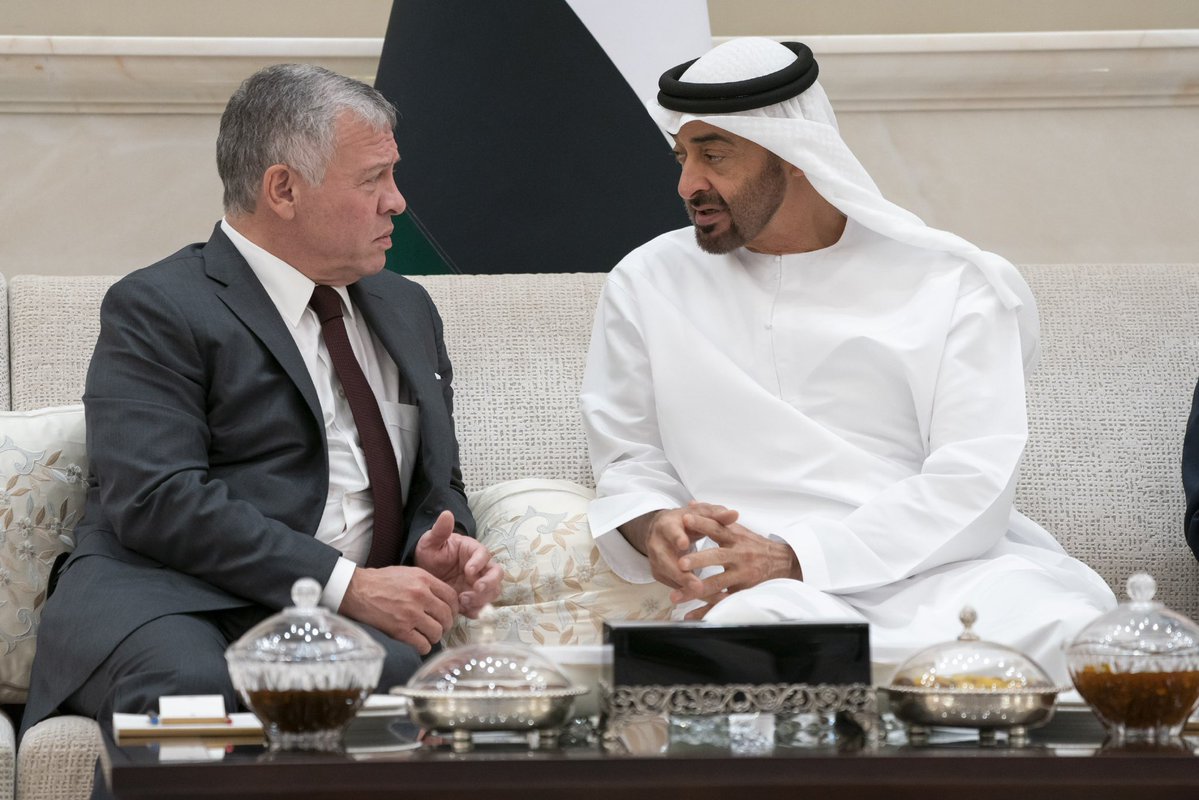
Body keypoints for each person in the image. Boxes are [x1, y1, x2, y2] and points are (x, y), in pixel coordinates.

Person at [580, 38, 1116, 682]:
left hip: (943, 573)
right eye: (682, 156)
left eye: (713, 155)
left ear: (795, 155)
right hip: (764, 592)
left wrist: (798, 554)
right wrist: (654, 524)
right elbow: (629, 458)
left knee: (1074, 635)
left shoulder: (951, 281)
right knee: (750, 646)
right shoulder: (647, 281)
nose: (688, 183)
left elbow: (975, 480)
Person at [22, 64, 502, 745]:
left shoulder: (406, 308)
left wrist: (440, 551)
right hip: (170, 600)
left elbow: (438, 482)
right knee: (192, 692)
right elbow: (155, 497)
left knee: (398, 682)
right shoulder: (159, 306)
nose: (397, 202)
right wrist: (348, 584)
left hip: (327, 620)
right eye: (373, 179)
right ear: (283, 189)